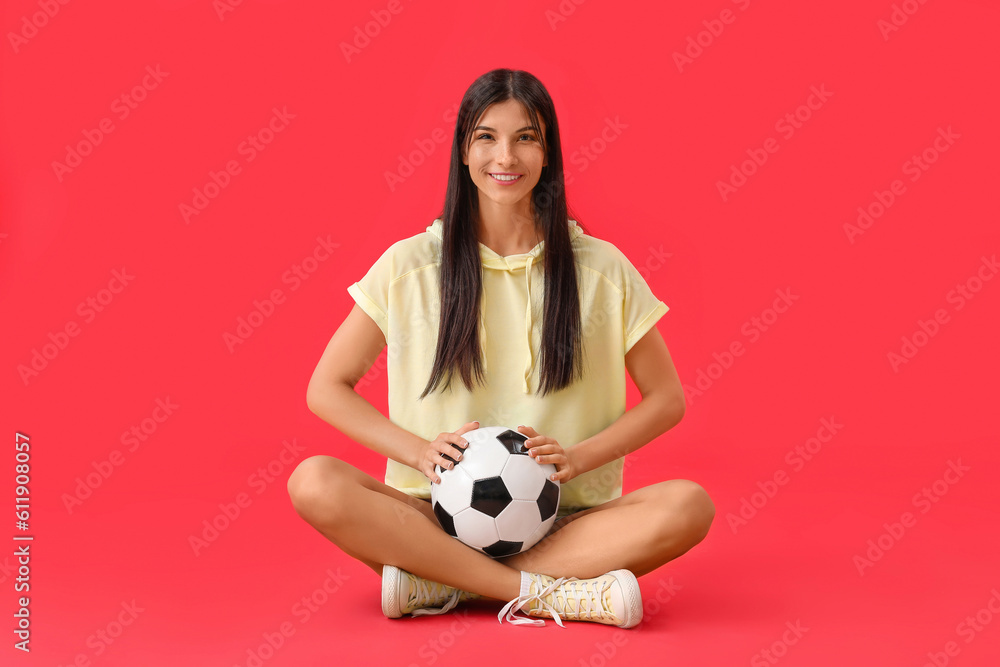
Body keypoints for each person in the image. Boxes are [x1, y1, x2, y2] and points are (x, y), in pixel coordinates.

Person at [287, 68, 714, 629]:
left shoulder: (602, 269)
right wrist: (417, 452)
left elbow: (667, 399)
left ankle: (442, 582)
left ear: (547, 153)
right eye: (486, 137)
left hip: (564, 520)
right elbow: (326, 387)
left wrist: (579, 458)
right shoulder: (409, 265)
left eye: (526, 137)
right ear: (463, 151)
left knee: (689, 505)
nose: (505, 156)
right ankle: (545, 594)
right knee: (314, 481)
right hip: (428, 518)